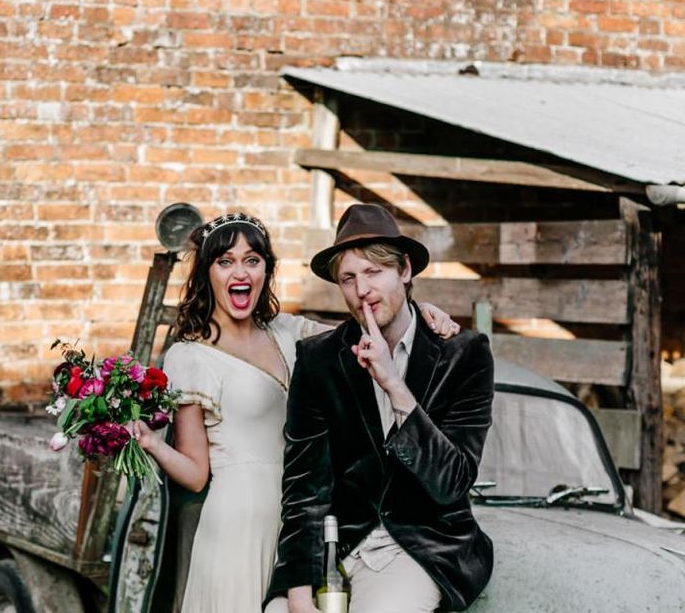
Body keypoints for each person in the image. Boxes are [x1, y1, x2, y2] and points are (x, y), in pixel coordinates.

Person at [133, 211, 460, 613]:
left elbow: (371, 322)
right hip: (240, 521)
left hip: (304, 517)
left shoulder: (286, 330)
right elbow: (196, 473)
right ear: (207, 273)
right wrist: (149, 442)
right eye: (225, 261)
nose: (241, 271)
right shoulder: (189, 356)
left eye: (252, 260)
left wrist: (421, 307)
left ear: (266, 270)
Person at [264, 203, 495, 613]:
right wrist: (298, 589)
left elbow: (452, 482)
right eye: (348, 278)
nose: (362, 291)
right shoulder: (318, 359)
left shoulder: (464, 354)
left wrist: (393, 384)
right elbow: (304, 488)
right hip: (339, 546)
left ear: (405, 271)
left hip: (422, 548)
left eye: (374, 272)